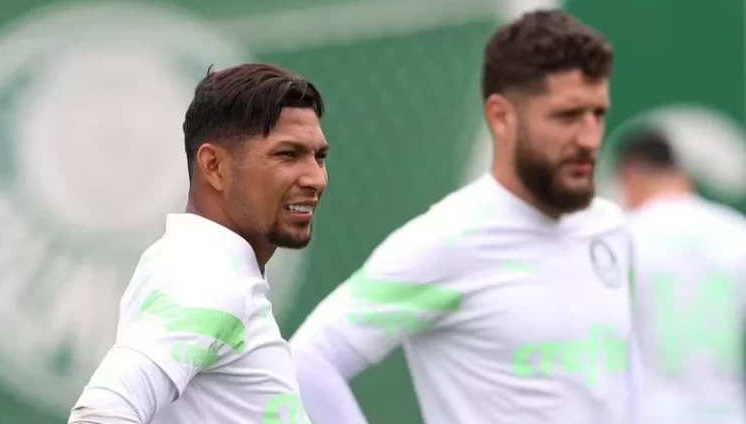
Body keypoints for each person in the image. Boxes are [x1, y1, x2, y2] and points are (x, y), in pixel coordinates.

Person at [290, 9, 640, 424]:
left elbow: (623, 381)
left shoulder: (610, 227)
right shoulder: (448, 240)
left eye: (597, 114)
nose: (589, 138)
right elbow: (307, 362)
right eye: (567, 116)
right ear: (502, 116)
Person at [68, 63, 328, 424]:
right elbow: (101, 414)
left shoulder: (204, 265)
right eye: (287, 154)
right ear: (214, 166)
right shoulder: (208, 277)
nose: (315, 178)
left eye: (319, 157)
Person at [614, 128, 746, 424]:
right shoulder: (737, 233)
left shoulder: (622, 237)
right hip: (729, 414)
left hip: (648, 414)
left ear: (629, 176)